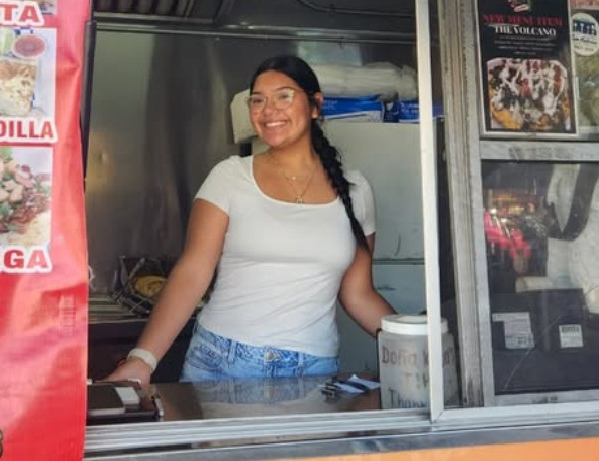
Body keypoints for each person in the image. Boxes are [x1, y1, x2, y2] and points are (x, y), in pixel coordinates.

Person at [105, 55, 396, 386]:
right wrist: (143, 359)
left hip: (314, 370)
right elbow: (193, 272)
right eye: (258, 100)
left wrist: (416, 345)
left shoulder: (355, 190)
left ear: (315, 105)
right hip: (222, 361)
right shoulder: (230, 176)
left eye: (283, 96)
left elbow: (359, 295)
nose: (268, 110)